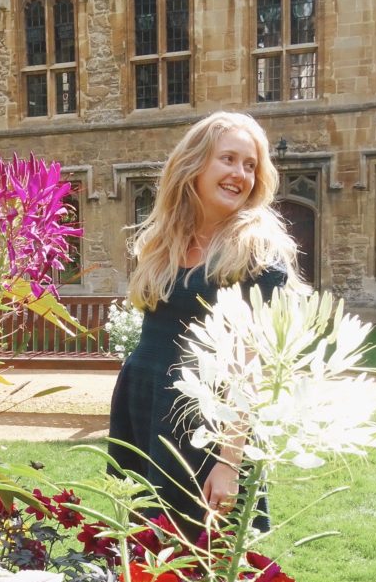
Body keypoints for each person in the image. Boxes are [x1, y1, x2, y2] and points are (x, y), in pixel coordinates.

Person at [107, 111, 301, 538]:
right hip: (144, 407)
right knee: (139, 554)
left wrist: (229, 463)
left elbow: (252, 369)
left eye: (250, 165)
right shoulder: (162, 242)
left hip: (205, 425)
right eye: (228, 159)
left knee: (202, 565)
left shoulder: (256, 255)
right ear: (195, 165)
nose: (240, 174)